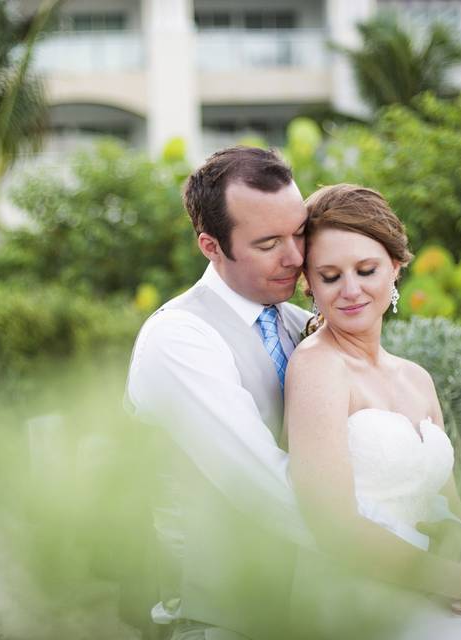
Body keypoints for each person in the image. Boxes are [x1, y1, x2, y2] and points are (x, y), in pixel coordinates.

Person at [283, 184, 461, 639]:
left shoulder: (417, 378)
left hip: (432, 595)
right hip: (358, 604)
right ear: (308, 283)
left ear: (396, 267)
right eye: (330, 276)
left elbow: (447, 506)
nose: (350, 290)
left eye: (366, 269)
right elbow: (332, 526)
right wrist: (455, 581)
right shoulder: (316, 366)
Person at [126, 146, 313, 640]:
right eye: (269, 242)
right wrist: (412, 559)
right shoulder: (178, 336)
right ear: (211, 246)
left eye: (299, 233)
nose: (295, 257)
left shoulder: (306, 325)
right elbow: (266, 487)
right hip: (219, 621)